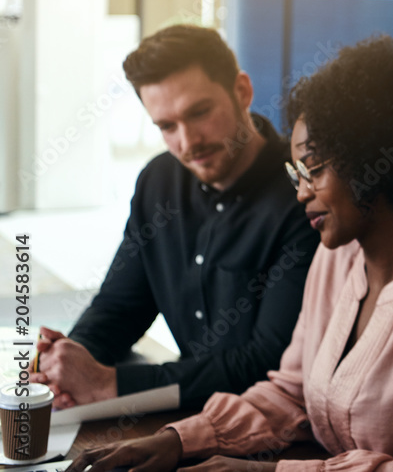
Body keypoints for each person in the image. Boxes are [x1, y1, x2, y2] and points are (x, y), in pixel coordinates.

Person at [67, 36, 393, 472]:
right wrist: (177, 440)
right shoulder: (337, 260)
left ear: (375, 162)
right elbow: (291, 391)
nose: (301, 192)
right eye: (296, 171)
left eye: (314, 170)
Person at [29, 25, 319, 409]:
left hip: (267, 433)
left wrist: (111, 384)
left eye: (199, 113)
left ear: (242, 91)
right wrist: (70, 359)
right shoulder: (159, 181)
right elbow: (120, 307)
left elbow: (268, 362)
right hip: (182, 413)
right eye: (166, 126)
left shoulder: (303, 196)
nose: (187, 142)